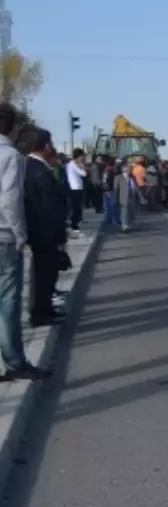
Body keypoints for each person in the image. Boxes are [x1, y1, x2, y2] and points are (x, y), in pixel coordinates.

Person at [0, 108, 47, 381]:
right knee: (8, 302)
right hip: (4, 236)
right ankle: (15, 362)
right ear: (13, 127)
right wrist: (20, 234)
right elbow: (9, 200)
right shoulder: (10, 156)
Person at [20, 127, 67, 328]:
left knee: (42, 273)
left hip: (36, 229)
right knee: (45, 273)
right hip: (46, 231)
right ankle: (40, 313)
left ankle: (43, 309)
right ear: (45, 145)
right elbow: (50, 208)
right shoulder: (41, 172)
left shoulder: (26, 166)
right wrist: (59, 236)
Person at [66, 148, 88, 234]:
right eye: (82, 156)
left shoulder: (73, 164)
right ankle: (74, 226)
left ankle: (76, 224)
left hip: (78, 187)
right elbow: (84, 173)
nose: (82, 158)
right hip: (75, 188)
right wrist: (82, 166)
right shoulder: (72, 164)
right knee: (76, 208)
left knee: (78, 208)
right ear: (78, 156)